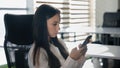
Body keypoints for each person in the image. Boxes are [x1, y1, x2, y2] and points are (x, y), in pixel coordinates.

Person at [28, 4, 87, 68]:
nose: (58, 28)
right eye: (54, 24)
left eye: (59, 24)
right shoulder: (37, 53)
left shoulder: (59, 42)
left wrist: (79, 56)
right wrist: (72, 59)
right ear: (42, 25)